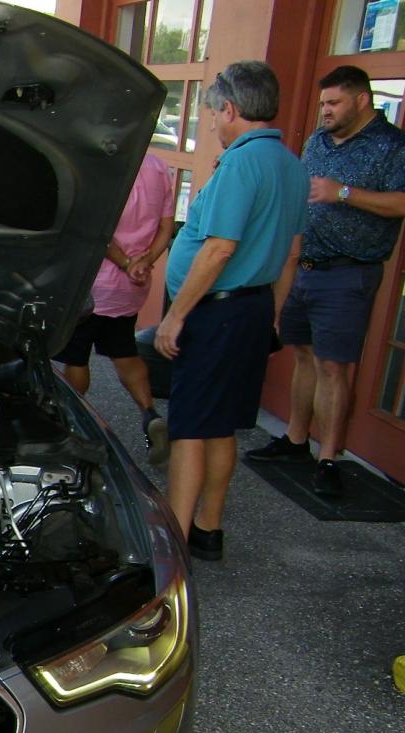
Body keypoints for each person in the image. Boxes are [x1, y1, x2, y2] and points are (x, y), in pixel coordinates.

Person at [153, 61, 308, 562]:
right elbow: (290, 251)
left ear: (230, 108)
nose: (212, 125)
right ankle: (207, 529)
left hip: (216, 313)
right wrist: (274, 317)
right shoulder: (291, 163)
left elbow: (219, 249)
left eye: (212, 114)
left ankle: (173, 541)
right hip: (252, 309)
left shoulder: (242, 163)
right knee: (220, 425)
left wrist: (176, 315)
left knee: (190, 428)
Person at [246, 65, 405, 498]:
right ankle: (296, 440)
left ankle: (330, 456)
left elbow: (400, 202)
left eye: (333, 103)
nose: (325, 111)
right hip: (304, 266)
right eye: (322, 104)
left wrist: (345, 193)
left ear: (362, 100)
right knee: (303, 355)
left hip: (348, 271)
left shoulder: (392, 146)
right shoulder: (318, 141)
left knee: (334, 366)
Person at [53, 153, 175, 465]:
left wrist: (124, 262)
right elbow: (166, 227)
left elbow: (98, 230)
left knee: (76, 356)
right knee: (124, 351)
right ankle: (149, 414)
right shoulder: (160, 167)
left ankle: (73, 424)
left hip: (96, 281)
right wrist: (144, 262)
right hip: (131, 288)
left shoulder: (107, 166)